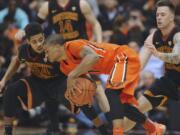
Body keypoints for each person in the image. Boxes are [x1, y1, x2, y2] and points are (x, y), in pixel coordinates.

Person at [43, 34, 165, 135]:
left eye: (47, 51)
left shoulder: (72, 46)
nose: (46, 56)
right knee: (120, 103)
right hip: (114, 67)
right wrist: (83, 99)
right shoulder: (64, 68)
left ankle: (118, 132)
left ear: (57, 46)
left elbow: (93, 56)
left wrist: (72, 76)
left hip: (123, 56)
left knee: (111, 93)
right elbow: (88, 86)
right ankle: (153, 127)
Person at [0, 23, 108, 135]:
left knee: (81, 93)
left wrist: (87, 79)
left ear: (43, 36)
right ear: (28, 41)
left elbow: (74, 64)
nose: (39, 44)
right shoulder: (24, 50)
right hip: (37, 83)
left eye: (41, 39)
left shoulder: (52, 49)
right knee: (10, 90)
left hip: (59, 82)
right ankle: (8, 132)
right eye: (34, 41)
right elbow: (16, 60)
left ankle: (102, 129)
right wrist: (3, 81)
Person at [123, 0, 180, 132]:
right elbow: (139, 64)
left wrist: (159, 54)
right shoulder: (153, 37)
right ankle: (152, 128)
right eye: (157, 15)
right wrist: (125, 79)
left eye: (163, 15)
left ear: (171, 17)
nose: (159, 17)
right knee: (135, 111)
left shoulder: (177, 35)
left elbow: (177, 56)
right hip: (169, 81)